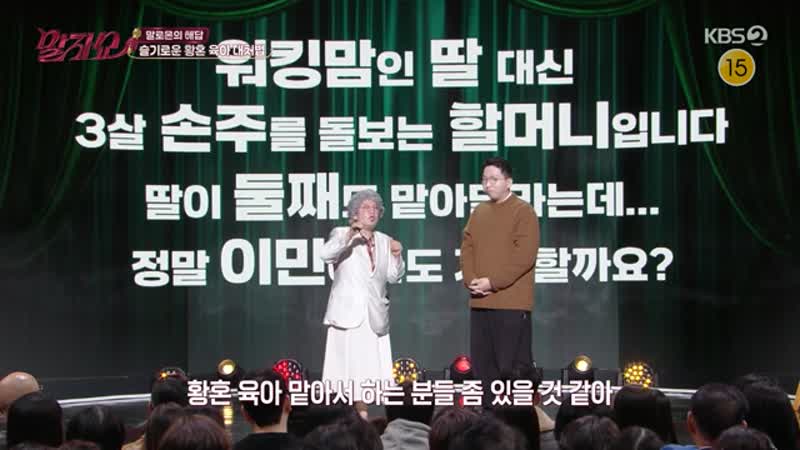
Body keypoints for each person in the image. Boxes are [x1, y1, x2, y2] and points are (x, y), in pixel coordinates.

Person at [459, 157, 540, 405]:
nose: (488, 184)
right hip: (480, 302)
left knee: (514, 369)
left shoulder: (523, 211)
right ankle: (489, 418)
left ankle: (519, 421)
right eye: (484, 179)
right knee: (484, 369)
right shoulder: (479, 211)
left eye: (494, 179)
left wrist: (492, 282)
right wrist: (471, 280)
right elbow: (467, 247)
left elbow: (524, 257)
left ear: (509, 182)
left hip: (511, 303)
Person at [319, 189, 405, 418]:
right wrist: (350, 235)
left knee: (369, 371)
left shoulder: (384, 240)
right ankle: (352, 418)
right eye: (366, 207)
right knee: (346, 373)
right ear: (355, 213)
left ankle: (363, 416)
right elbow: (326, 254)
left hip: (373, 314)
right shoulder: (341, 233)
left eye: (376, 208)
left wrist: (397, 255)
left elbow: (393, 276)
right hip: (348, 314)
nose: (372, 212)